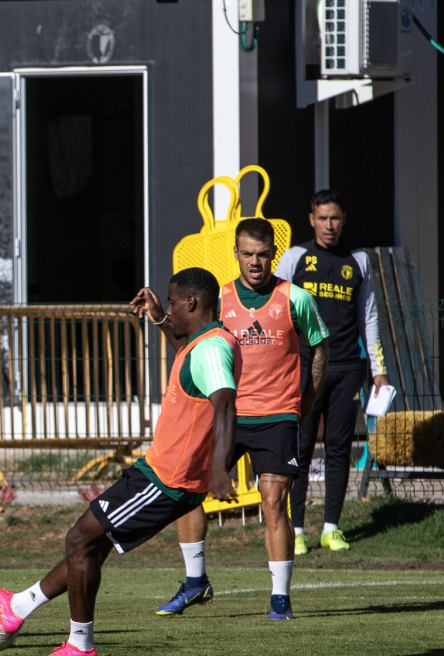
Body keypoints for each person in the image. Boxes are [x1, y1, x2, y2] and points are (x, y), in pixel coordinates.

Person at [0, 268, 241, 656]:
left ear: (192, 302)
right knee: (90, 545)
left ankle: (79, 646)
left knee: (79, 539)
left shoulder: (213, 348)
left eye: (171, 301)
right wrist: (160, 319)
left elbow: (225, 405)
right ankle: (17, 607)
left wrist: (219, 468)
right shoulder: (203, 342)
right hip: (160, 473)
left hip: (166, 480)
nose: (168, 307)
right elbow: (192, 361)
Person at [131, 218, 328, 620]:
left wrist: (303, 405)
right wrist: (157, 316)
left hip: (277, 417)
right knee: (186, 492)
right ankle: (194, 581)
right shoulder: (218, 298)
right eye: (247, 254)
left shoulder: (297, 298)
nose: (255, 262)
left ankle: (279, 599)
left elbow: (319, 350)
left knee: (274, 503)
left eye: (262, 254)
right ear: (235, 254)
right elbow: (186, 342)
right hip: (225, 416)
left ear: (273, 253)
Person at [275, 190, 389, 554]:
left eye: (335, 218)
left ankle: (331, 528)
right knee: (301, 448)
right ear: (311, 220)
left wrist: (378, 371)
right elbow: (276, 312)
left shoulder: (359, 260)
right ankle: (295, 531)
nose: (329, 225)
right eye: (322, 218)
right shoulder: (295, 257)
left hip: (346, 368)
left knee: (339, 447)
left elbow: (368, 318)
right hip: (304, 368)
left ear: (343, 220)